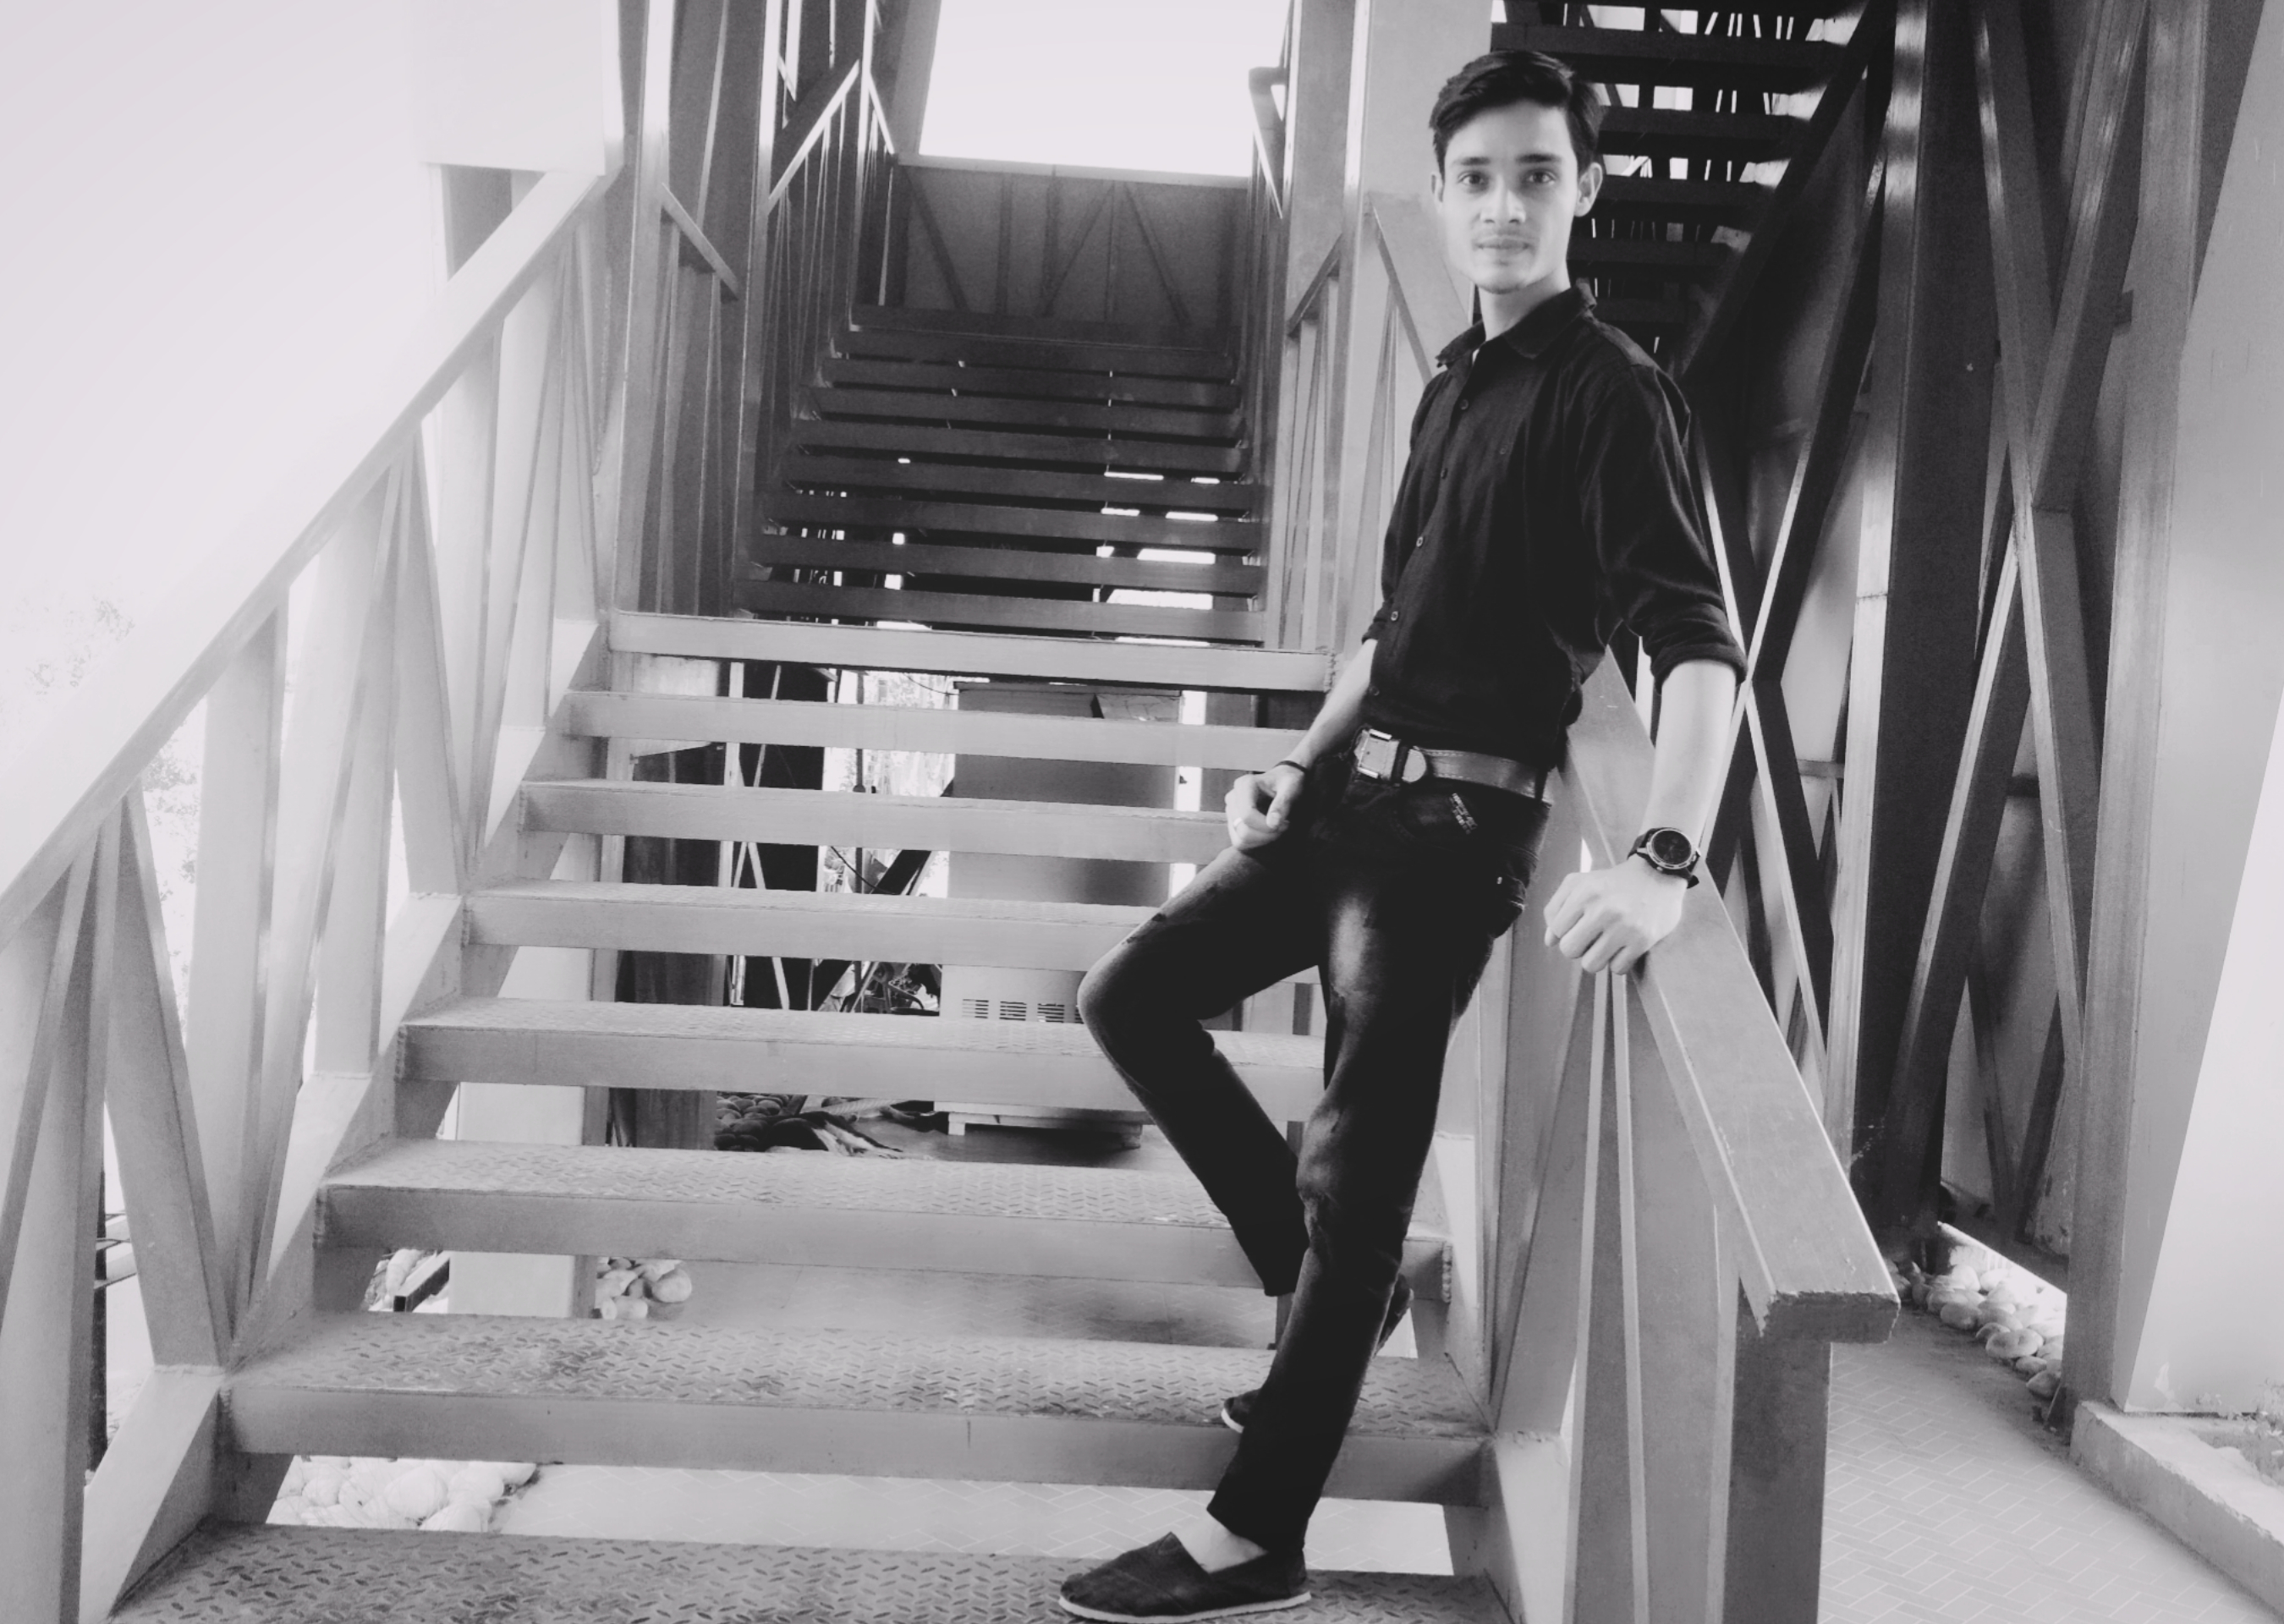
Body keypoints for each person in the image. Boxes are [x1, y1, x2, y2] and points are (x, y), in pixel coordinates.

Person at [1056, 48, 1744, 1623]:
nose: (1505, 207)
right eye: (1477, 180)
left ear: (1584, 191)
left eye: (1537, 177)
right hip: (1353, 796)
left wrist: (1662, 859)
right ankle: (1323, 1298)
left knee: (1360, 1172)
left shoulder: (1612, 393)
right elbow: (1386, 625)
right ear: (1439, 198)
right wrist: (1292, 766)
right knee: (1130, 995)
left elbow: (1698, 648)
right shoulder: (1453, 382)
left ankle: (1255, 1534)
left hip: (1453, 831)